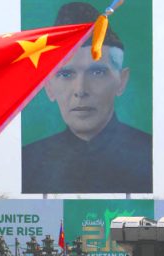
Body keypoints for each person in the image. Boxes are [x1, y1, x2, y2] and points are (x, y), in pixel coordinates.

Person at [22, 1, 152, 193]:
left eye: (97, 72)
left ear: (122, 81)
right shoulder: (29, 161)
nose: (80, 90)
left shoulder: (145, 153)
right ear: (48, 86)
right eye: (66, 74)